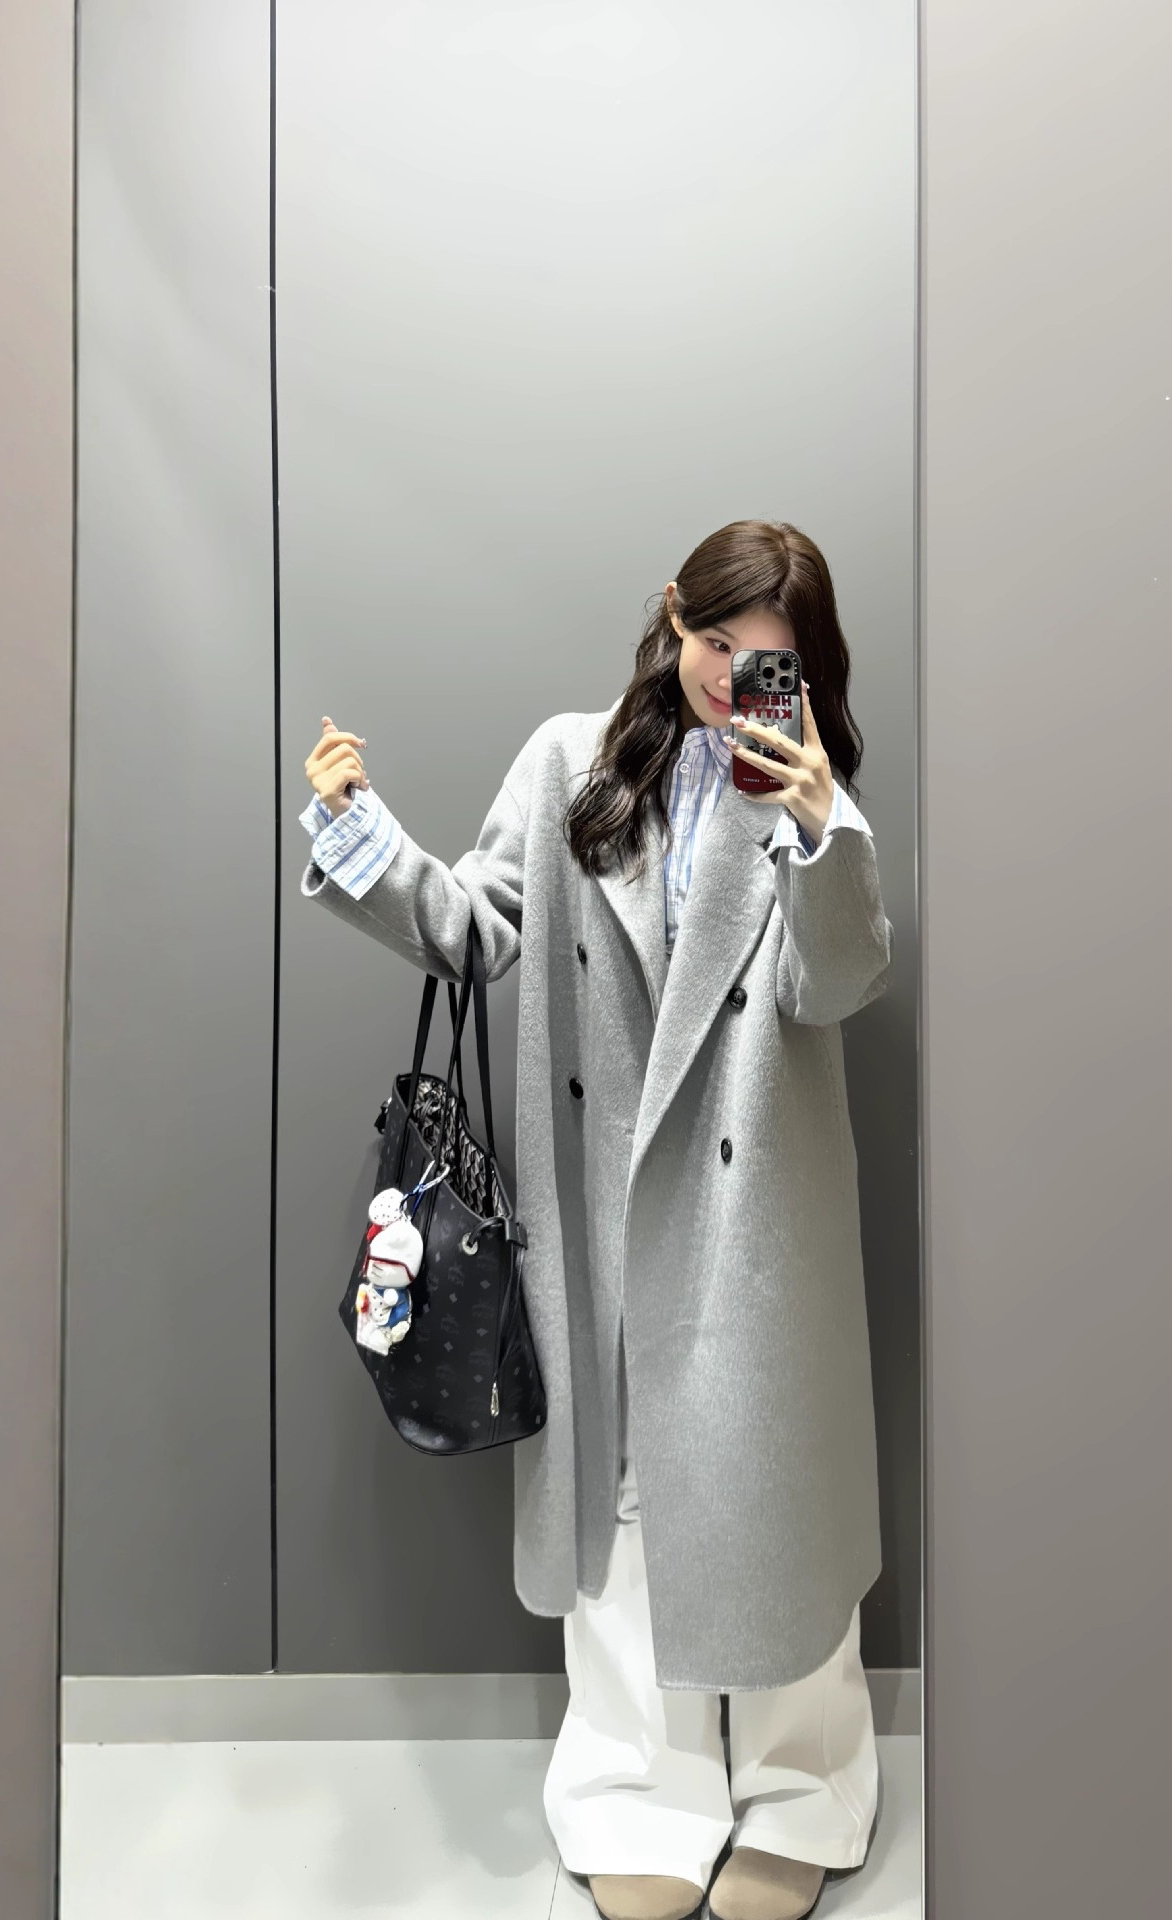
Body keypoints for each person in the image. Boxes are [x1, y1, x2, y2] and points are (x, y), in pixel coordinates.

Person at [299, 519, 891, 1920]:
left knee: (774, 1496)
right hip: (604, 1206)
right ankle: (636, 1783)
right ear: (673, 615)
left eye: (768, 660)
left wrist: (824, 825)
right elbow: (476, 930)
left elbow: (838, 985)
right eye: (714, 642)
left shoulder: (805, 793)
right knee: (621, 1495)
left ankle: (805, 1782)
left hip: (755, 1220)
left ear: (805, 671)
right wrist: (359, 826)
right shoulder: (571, 764)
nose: (732, 678)